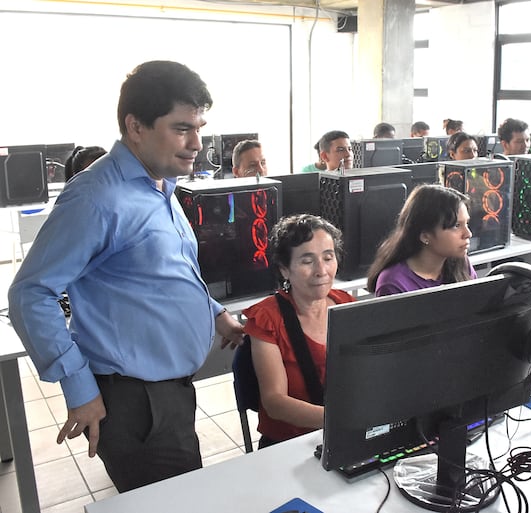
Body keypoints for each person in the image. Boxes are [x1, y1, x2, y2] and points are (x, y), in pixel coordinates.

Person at [7, 60, 244, 493]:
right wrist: (79, 387)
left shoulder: (158, 184)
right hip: (136, 400)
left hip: (168, 391)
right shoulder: (97, 198)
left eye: (200, 127)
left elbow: (160, 274)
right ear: (135, 127)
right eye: (181, 129)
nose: (197, 143)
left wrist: (214, 313)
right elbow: (30, 295)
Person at [242, 214, 355, 447]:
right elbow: (275, 402)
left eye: (328, 257)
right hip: (289, 446)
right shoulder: (267, 318)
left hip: (343, 437)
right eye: (307, 261)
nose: (321, 270)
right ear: (284, 269)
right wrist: (343, 419)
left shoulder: (346, 304)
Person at [367, 184, 477, 296]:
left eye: (466, 223)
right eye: (456, 225)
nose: (468, 234)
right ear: (425, 236)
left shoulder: (460, 263)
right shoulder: (393, 283)